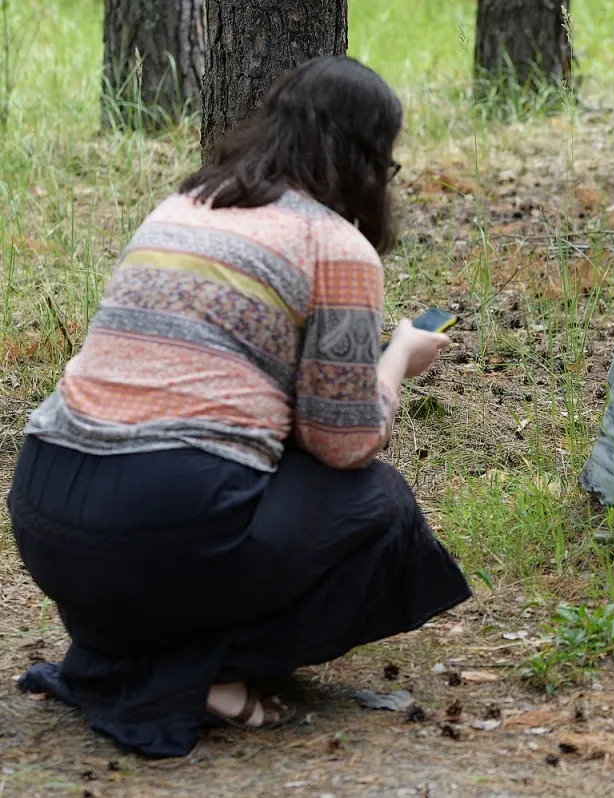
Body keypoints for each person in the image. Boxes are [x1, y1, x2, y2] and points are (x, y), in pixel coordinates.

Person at [5, 56, 471, 759]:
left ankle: (141, 658)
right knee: (382, 506)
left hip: (46, 509)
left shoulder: (185, 205)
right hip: (162, 515)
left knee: (238, 507)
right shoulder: (336, 245)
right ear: (371, 158)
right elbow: (344, 444)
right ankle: (201, 672)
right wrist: (399, 356)